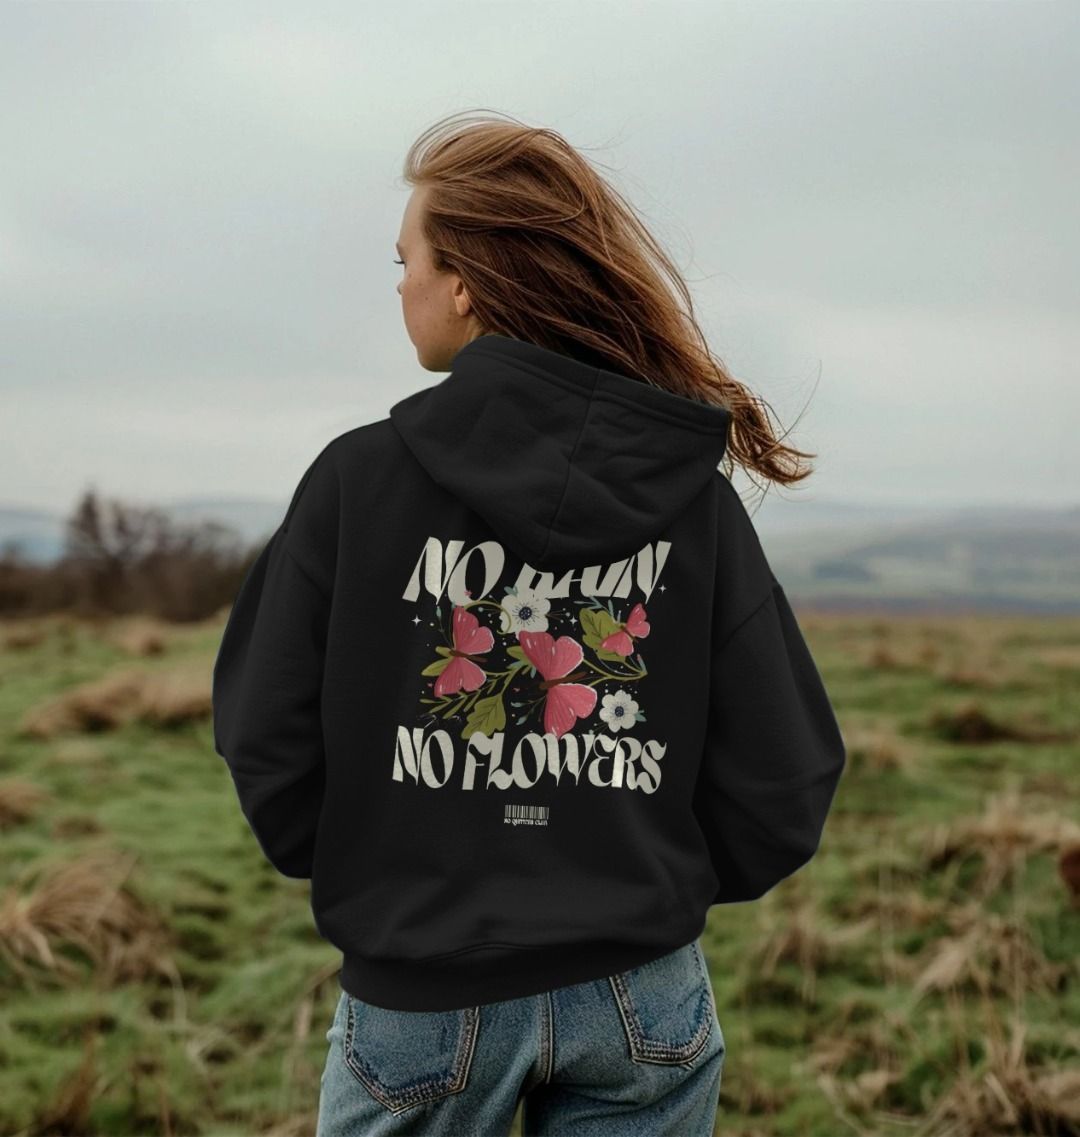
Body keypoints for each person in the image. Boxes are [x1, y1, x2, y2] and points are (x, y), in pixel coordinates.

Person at [211, 109, 847, 1137]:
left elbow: (263, 737)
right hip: (645, 1000)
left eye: (405, 258)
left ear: (463, 285)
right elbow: (788, 775)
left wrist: (378, 871)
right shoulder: (692, 501)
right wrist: (639, 888)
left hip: (419, 991)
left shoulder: (355, 484)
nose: (401, 285)